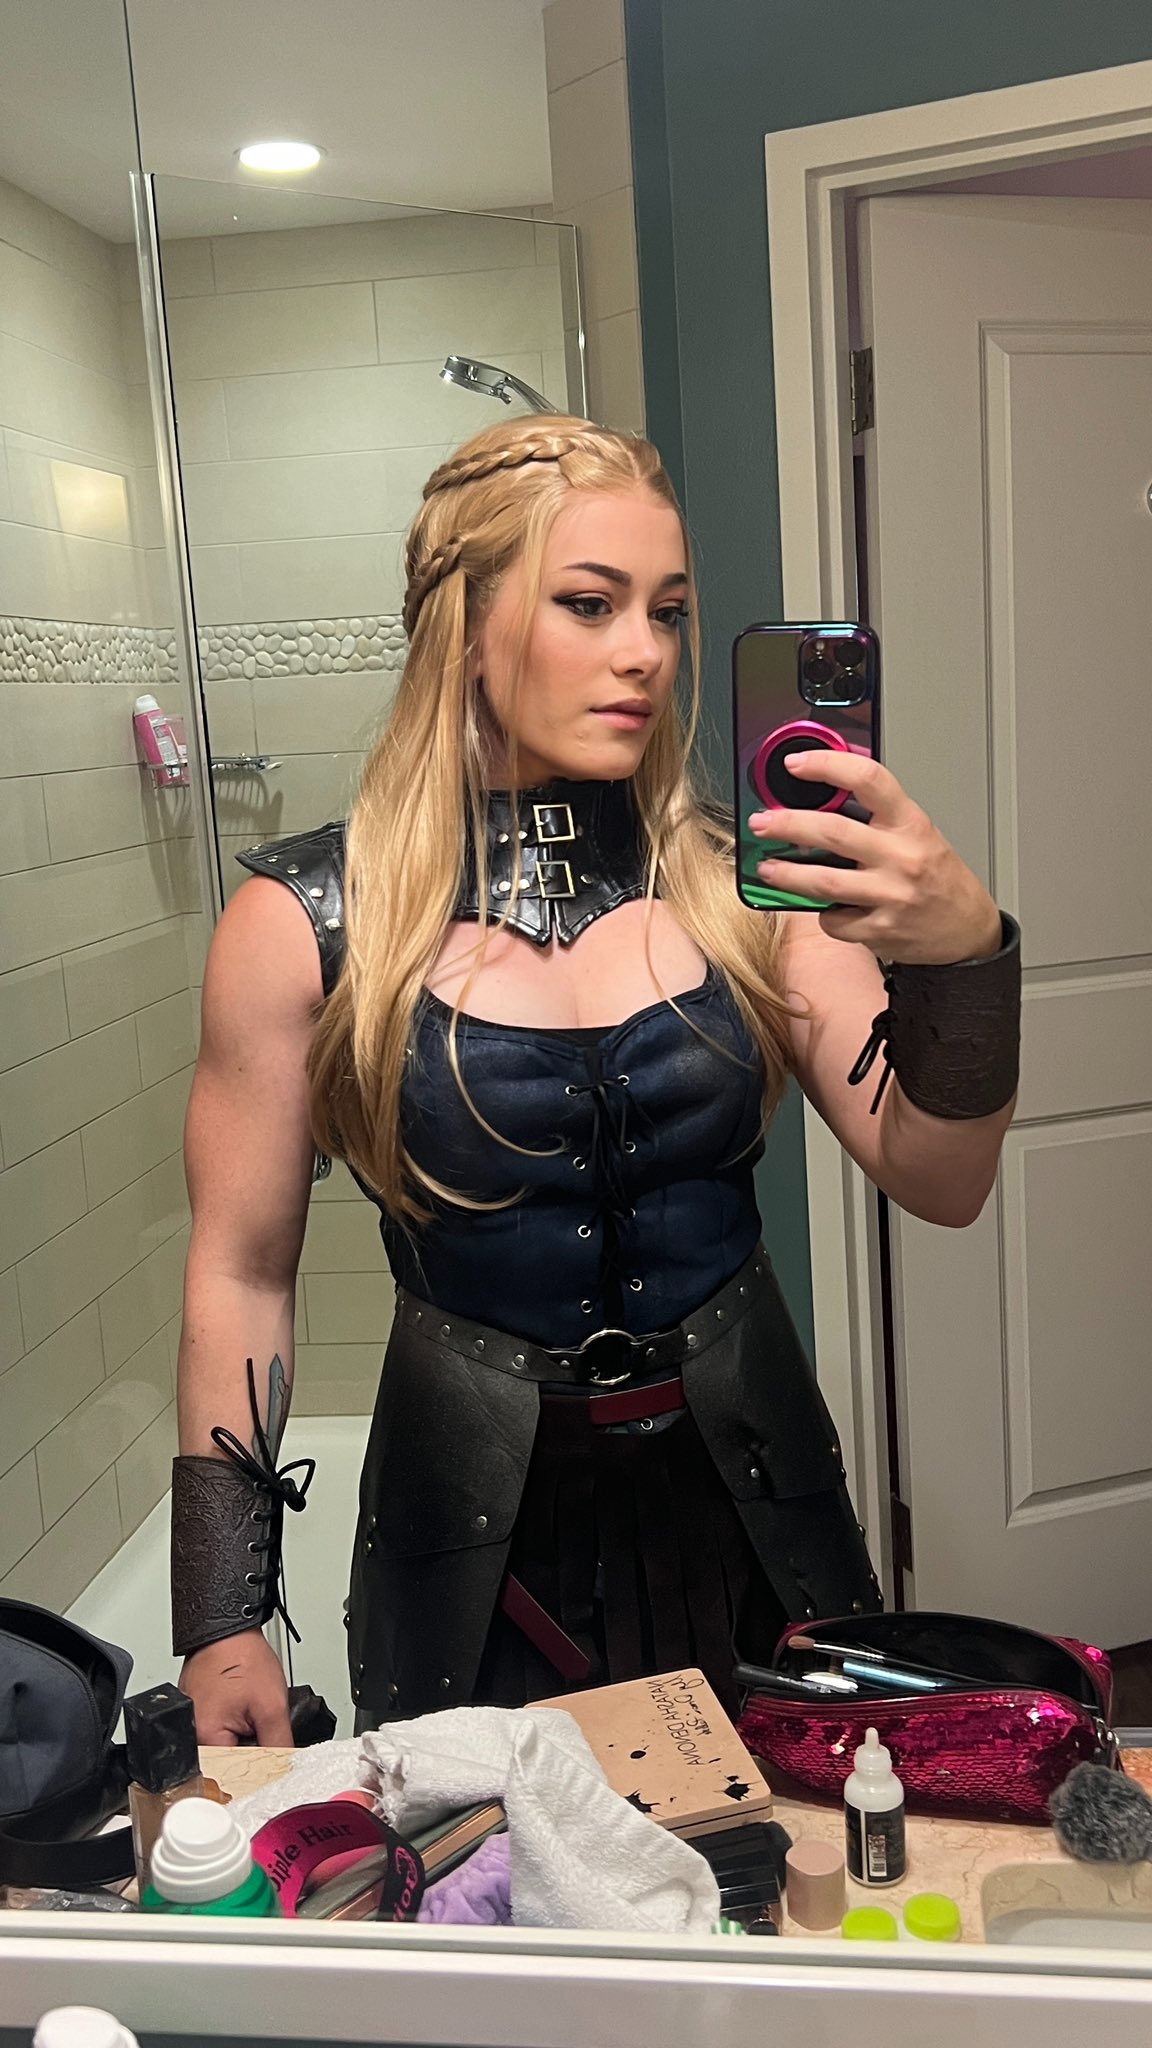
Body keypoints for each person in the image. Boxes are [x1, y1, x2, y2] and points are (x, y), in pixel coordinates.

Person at [171, 416, 1020, 1746]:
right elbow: (240, 1273)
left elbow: (943, 1175)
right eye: (590, 602)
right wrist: (222, 1615)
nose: (645, 652)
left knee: (797, 1839)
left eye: (668, 612)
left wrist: (965, 957)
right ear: (465, 624)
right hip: (464, 1537)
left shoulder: (750, 890)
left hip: (757, 1498)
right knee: (492, 1855)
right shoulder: (307, 922)